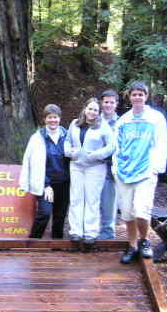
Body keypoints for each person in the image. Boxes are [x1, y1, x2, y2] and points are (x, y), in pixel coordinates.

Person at [114, 81, 167, 264]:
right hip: (124, 172)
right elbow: (117, 146)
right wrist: (116, 168)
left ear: (146, 96)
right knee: (128, 213)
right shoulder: (123, 120)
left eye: (141, 94)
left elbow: (162, 144)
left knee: (141, 210)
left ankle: (144, 241)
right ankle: (132, 246)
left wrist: (156, 169)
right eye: (134, 94)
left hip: (146, 171)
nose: (137, 97)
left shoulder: (156, 118)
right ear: (129, 96)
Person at [64, 97, 114, 247]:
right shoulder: (74, 123)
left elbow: (111, 146)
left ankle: (90, 233)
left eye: (96, 110)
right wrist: (68, 152)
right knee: (76, 198)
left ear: (99, 113)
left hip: (95, 167)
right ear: (85, 109)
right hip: (77, 166)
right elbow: (67, 141)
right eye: (90, 108)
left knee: (92, 200)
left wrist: (97, 154)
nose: (92, 112)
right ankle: (76, 231)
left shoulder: (103, 126)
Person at [20, 104, 70, 239]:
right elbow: (31, 162)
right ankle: (34, 241)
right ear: (44, 119)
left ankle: (57, 244)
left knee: (60, 216)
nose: (53, 120)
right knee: (45, 213)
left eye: (55, 117)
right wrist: (46, 185)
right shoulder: (37, 138)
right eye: (49, 117)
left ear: (59, 118)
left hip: (64, 183)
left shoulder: (68, 136)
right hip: (45, 183)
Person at [98, 89, 120, 239]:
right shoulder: (93, 119)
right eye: (106, 102)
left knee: (109, 202)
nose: (108, 105)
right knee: (92, 201)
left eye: (112, 102)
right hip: (92, 167)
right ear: (101, 103)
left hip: (110, 169)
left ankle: (107, 233)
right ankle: (90, 230)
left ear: (116, 104)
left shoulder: (121, 123)